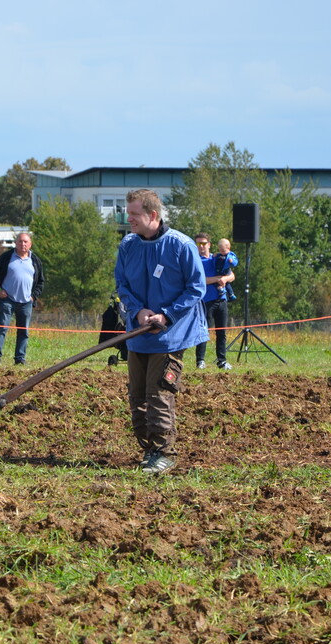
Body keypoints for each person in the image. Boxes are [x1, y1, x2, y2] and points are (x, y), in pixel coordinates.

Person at [115, 189, 207, 475]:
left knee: (159, 394)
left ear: (152, 215)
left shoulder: (181, 245)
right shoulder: (128, 245)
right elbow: (122, 284)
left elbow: (196, 288)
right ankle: (149, 451)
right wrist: (137, 309)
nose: (128, 218)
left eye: (134, 214)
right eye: (127, 213)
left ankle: (165, 453)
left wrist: (166, 314)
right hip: (138, 333)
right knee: (137, 396)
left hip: (170, 335)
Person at [0, 232, 44, 366]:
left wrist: (33, 296)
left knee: (23, 331)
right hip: (7, 299)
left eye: (26, 242)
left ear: (30, 244)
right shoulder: (6, 257)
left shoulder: (35, 260)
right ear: (16, 243)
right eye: (20, 241)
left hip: (26, 302)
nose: (23, 244)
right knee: (2, 327)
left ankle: (20, 358)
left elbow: (41, 282)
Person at [193, 233, 236, 370]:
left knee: (221, 332)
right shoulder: (196, 261)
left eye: (204, 243)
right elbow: (200, 281)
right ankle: (200, 360)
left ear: (209, 244)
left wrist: (224, 279)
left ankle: (222, 360)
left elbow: (232, 275)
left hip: (221, 300)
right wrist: (218, 279)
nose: (201, 246)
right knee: (203, 331)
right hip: (206, 301)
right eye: (198, 243)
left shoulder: (216, 258)